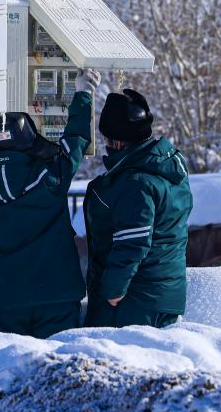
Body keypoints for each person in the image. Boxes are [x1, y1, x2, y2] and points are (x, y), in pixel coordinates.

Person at [0, 68, 100, 338]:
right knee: (56, 371)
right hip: (57, 296)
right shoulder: (47, 178)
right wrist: (83, 92)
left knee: (12, 371)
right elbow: (76, 141)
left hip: (8, 302)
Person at [83, 88, 193, 329]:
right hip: (163, 295)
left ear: (118, 142)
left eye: (107, 140)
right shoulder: (166, 168)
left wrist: (112, 290)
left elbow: (133, 242)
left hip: (134, 300)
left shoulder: (135, 184)